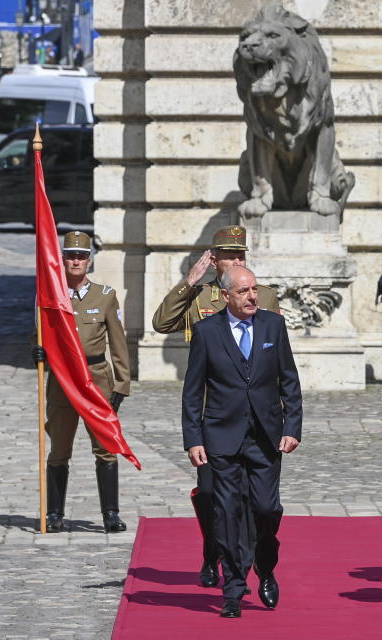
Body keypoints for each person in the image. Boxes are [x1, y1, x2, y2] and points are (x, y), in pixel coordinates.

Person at [152, 225, 279, 589]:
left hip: (254, 415)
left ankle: (252, 560)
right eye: (230, 254)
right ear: (214, 258)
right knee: (211, 494)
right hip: (214, 417)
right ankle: (213, 553)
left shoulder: (264, 295)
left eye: (241, 254)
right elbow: (161, 323)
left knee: (254, 500)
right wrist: (189, 282)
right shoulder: (198, 297)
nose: (237, 259)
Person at [181, 266, 302, 618]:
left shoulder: (273, 326)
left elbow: (289, 381)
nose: (253, 296)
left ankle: (265, 566)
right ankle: (232, 588)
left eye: (255, 290)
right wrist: (193, 439)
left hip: (266, 437)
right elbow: (193, 392)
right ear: (226, 295)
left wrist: (291, 426)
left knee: (267, 509)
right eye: (245, 291)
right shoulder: (206, 331)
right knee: (226, 514)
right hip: (221, 437)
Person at [35, 231, 131, 533]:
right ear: (62, 259)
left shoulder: (104, 296)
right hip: (62, 380)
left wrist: (121, 384)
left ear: (89, 261)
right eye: (70, 255)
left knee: (105, 447)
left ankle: (111, 514)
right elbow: (39, 335)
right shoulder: (49, 296)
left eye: (81, 256)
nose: (75, 260)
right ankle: (54, 514)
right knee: (59, 447)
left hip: (96, 379)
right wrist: (37, 352)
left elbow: (118, 343)